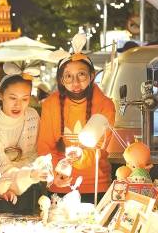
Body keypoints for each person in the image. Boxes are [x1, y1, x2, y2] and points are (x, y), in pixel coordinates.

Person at [37, 33, 116, 202]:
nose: (75, 83)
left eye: (81, 75)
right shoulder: (51, 104)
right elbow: (45, 146)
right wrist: (55, 174)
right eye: (68, 76)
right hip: (59, 184)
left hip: (95, 186)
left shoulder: (105, 105)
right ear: (61, 79)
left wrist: (80, 156)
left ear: (92, 76)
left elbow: (102, 148)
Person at [0, 63, 52, 215]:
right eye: (12, 98)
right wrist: (28, 173)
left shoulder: (32, 116)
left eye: (25, 99)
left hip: (32, 187)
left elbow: (36, 152)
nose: (18, 105)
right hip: (1, 191)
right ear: (1, 95)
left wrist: (34, 171)